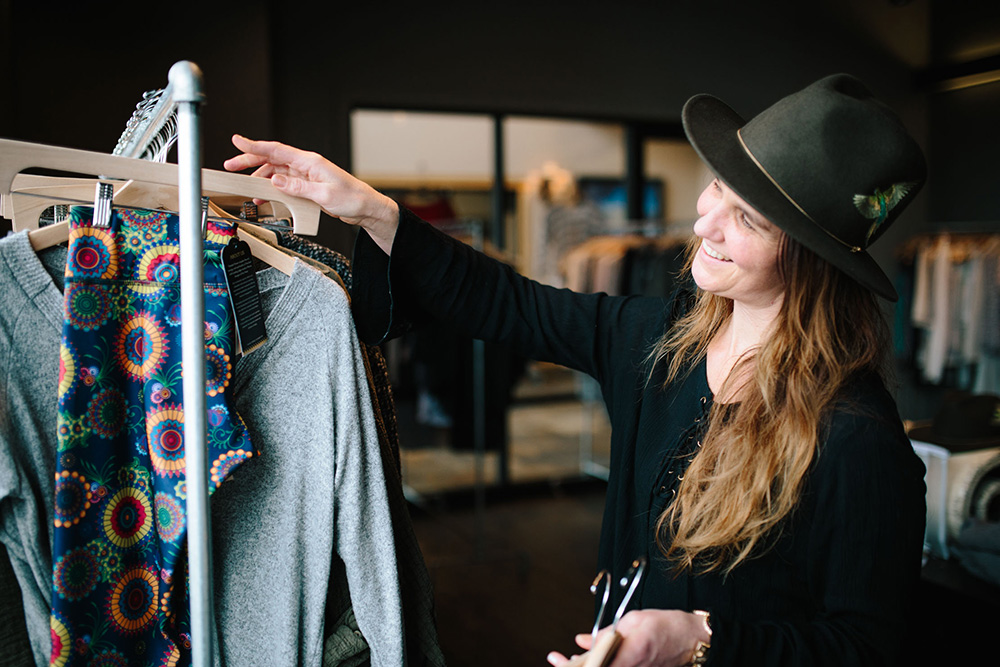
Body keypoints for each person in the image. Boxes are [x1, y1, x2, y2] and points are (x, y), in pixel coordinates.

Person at [223, 74, 928, 667]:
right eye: (718, 186)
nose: (704, 221)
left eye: (748, 219)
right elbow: (511, 304)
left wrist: (704, 639)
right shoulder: (661, 341)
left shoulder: (856, 437)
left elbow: (869, 643)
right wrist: (372, 210)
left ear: (808, 259)